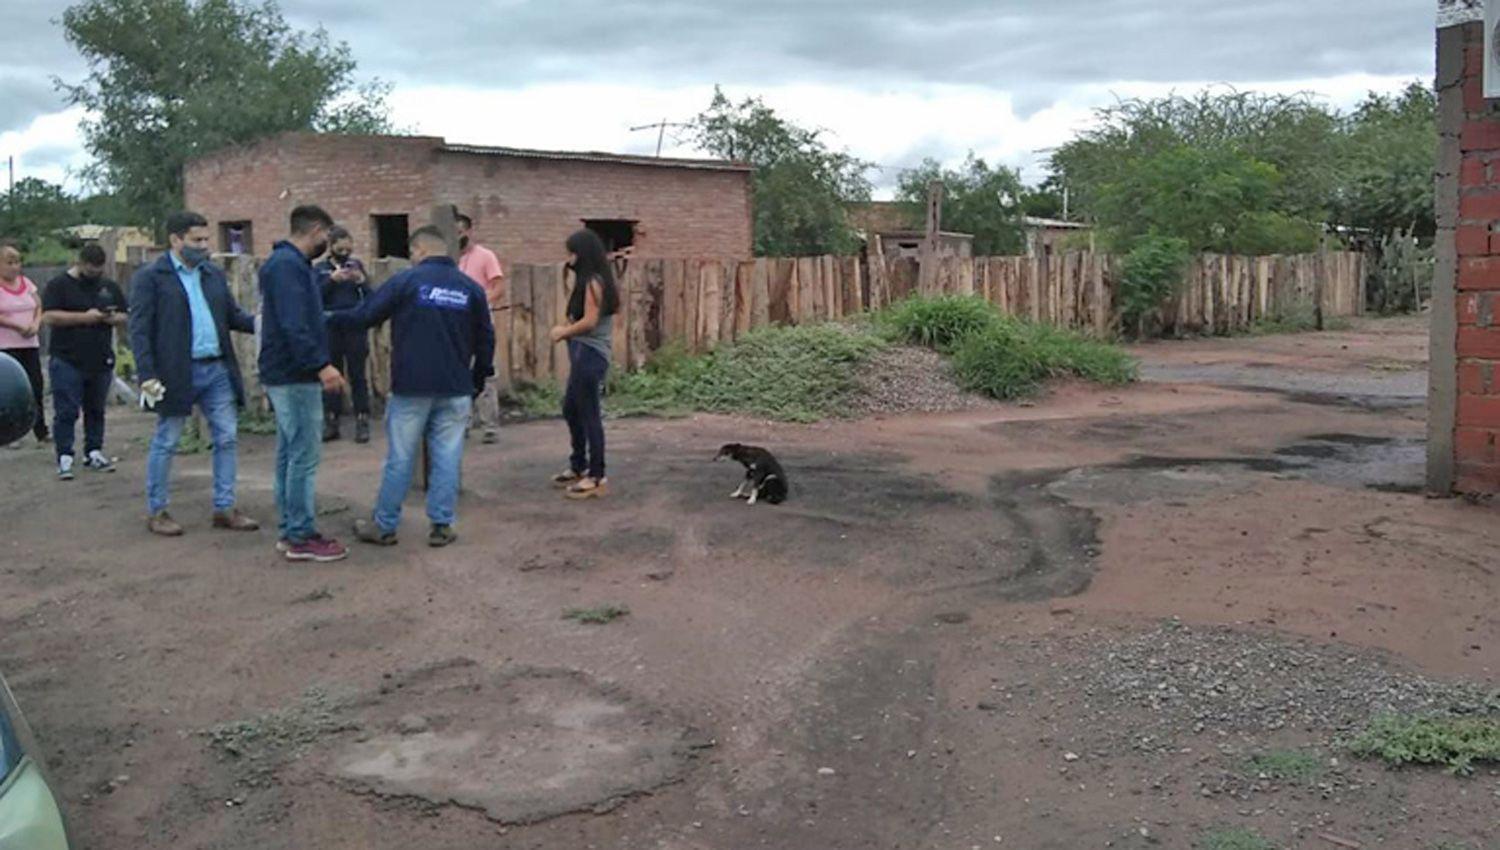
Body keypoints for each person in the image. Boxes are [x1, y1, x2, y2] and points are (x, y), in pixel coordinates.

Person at [330, 226, 494, 547]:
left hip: (411, 386)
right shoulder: (470, 289)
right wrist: (477, 378)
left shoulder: (407, 281)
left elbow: (366, 316)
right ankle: (442, 525)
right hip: (455, 387)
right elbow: (486, 339)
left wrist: (327, 319)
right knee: (447, 457)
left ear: (418, 250)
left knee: (400, 458)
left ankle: (385, 525)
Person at [128, 211, 260, 535]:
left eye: (205, 240)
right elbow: (140, 330)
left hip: (215, 368)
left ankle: (225, 507)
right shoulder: (151, 277)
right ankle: (157, 511)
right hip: (175, 372)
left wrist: (264, 323)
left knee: (227, 437)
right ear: (175, 240)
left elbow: (232, 316)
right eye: (196, 240)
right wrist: (147, 374)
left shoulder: (212, 275)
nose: (203, 246)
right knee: (167, 441)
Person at [259, 204, 348, 563]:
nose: (328, 242)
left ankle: (291, 528)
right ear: (315, 231)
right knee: (303, 457)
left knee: (290, 454)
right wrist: (321, 365)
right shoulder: (286, 267)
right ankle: (300, 534)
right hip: (294, 374)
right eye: (326, 236)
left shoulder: (291, 267)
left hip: (287, 371)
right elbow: (294, 324)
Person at [42, 244, 128, 479]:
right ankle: (65, 456)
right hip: (67, 358)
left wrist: (111, 318)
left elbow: (125, 313)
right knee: (66, 410)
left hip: (100, 359)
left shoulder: (108, 286)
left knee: (96, 409)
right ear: (79, 263)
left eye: (98, 271)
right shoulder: (59, 285)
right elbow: (49, 316)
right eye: (90, 271)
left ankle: (94, 451)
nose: (94, 275)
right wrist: (85, 318)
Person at [549, 229, 620, 500]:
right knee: (571, 409)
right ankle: (578, 465)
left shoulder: (594, 282)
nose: (568, 258)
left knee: (589, 413)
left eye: (571, 253)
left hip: (591, 355)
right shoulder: (587, 280)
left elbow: (590, 322)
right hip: (582, 353)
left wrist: (563, 332)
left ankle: (597, 474)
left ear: (582, 254)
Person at [314, 225, 372, 444]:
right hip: (330, 327)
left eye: (349, 248)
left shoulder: (358, 267)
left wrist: (360, 281)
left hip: (354, 327)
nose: (346, 252)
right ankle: (332, 421)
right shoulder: (320, 269)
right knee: (332, 376)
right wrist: (332, 280)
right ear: (332, 245)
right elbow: (314, 296)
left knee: (358, 376)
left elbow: (371, 295)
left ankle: (362, 420)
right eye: (341, 247)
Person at [456, 213, 505, 444]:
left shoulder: (485, 256)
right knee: (458, 370)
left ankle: (490, 425)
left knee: (485, 371)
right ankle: (463, 422)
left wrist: (481, 304)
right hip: (456, 325)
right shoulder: (450, 259)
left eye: (460, 232)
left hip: (481, 322)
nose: (457, 237)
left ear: (468, 231)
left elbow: (498, 287)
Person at [0, 241, 48, 446]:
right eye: (9, 262)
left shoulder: (26, 283)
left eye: (17, 262)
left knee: (35, 386)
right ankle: (8, 432)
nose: (14, 267)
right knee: (8, 390)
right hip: (6, 346)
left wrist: (36, 324)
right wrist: (16, 326)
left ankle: (41, 430)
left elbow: (38, 306)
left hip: (29, 343)